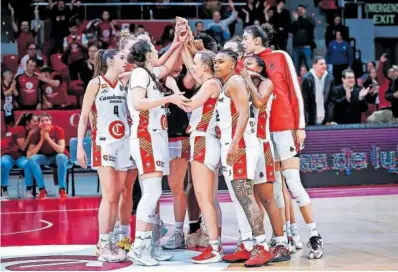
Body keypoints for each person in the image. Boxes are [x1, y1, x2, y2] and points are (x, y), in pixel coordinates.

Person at [241, 24, 322, 259]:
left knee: (293, 184)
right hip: (262, 133)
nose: (243, 42)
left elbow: (295, 91)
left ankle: (314, 236)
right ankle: (286, 237)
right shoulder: (246, 63)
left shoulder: (280, 56)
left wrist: (300, 126)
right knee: (276, 188)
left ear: (257, 40)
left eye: (246, 38)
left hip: (285, 127)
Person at [126, 39, 189, 266]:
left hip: (155, 138)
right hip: (146, 137)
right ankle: (139, 247)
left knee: (153, 194)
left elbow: (166, 63)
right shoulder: (140, 74)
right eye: (153, 49)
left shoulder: (149, 73)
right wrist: (169, 98)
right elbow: (138, 102)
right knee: (151, 194)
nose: (157, 52)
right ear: (146, 54)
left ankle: (149, 245)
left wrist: (179, 43)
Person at [214, 49, 274, 267]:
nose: (216, 64)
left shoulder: (236, 82)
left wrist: (235, 142)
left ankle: (262, 246)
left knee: (245, 194)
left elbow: (244, 114)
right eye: (215, 61)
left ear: (233, 64)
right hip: (230, 143)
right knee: (238, 197)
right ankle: (247, 244)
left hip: (239, 144)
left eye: (221, 61)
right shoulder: (227, 82)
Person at [76, 49, 133, 262]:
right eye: (121, 58)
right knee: (109, 196)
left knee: (118, 194)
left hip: (124, 142)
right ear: (110, 61)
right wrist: (80, 147)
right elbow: (83, 118)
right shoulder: (96, 84)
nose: (125, 61)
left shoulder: (124, 82)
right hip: (104, 143)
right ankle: (102, 243)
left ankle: (118, 240)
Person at [239, 56, 290, 262]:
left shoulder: (266, 82)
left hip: (262, 144)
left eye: (249, 64)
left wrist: (249, 79)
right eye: (243, 64)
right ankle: (254, 242)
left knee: (267, 197)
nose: (245, 67)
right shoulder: (239, 83)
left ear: (259, 67)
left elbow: (259, 102)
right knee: (250, 198)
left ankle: (281, 243)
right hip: (246, 144)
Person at [179, 48, 223, 263]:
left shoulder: (211, 84)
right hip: (205, 139)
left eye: (196, 64)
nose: (193, 68)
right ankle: (215, 245)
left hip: (204, 139)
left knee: (204, 198)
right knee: (207, 198)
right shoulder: (209, 82)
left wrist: (169, 92)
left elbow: (189, 104)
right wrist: (184, 45)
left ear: (205, 67)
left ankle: (214, 248)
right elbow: (193, 70)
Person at [161, 65, 194, 250]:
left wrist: (173, 86)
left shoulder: (184, 82)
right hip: (154, 137)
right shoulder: (151, 79)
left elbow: (185, 102)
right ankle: (154, 230)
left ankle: (179, 232)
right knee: (152, 190)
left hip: (178, 137)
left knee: (175, 187)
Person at [27, 113, 69, 199]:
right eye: (42, 121)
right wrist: (42, 140)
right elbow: (29, 154)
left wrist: (48, 138)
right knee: (32, 159)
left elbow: (60, 150)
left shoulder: (58, 130)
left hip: (58, 157)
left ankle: (62, 189)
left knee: (60, 157)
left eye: (47, 120)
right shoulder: (35, 134)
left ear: (51, 122)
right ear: (39, 124)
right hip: (45, 157)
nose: (45, 122)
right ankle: (42, 189)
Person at [1, 113, 38, 199]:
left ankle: (29, 189)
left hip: (20, 157)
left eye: (38, 121)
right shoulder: (20, 129)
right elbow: (22, 147)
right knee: (4, 164)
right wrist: (29, 135)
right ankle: (4, 189)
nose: (37, 123)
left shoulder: (34, 131)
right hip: (8, 154)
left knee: (28, 164)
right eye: (34, 121)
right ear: (28, 122)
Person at [302, 56, 335, 125]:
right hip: (311, 117)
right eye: (321, 64)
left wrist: (329, 119)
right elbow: (305, 101)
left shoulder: (330, 78)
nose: (324, 66)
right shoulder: (307, 79)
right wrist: (305, 119)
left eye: (325, 64)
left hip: (325, 116)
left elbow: (331, 100)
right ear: (314, 66)